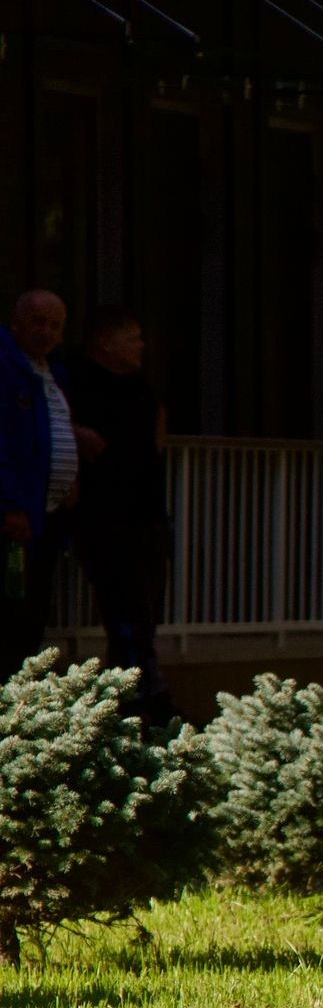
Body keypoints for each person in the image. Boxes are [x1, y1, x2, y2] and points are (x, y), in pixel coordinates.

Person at [64, 307, 175, 724]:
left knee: (145, 614)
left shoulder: (141, 390)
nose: (141, 346)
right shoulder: (76, 383)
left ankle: (134, 699)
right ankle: (144, 702)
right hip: (105, 519)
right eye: (132, 338)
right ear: (105, 341)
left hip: (147, 515)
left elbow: (157, 440)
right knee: (125, 613)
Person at [1, 290, 74, 676]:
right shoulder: (6, 366)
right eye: (38, 322)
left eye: (55, 326)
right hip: (15, 518)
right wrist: (10, 503)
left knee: (33, 613)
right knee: (11, 613)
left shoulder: (51, 371)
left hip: (46, 514)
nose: (46, 332)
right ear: (16, 323)